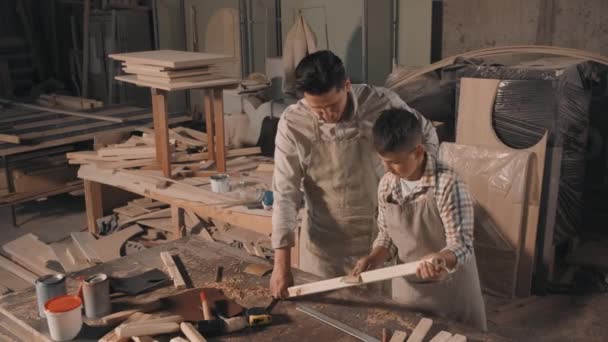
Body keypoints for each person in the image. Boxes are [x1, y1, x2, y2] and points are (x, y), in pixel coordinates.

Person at [269, 50, 439, 299]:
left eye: (332, 106)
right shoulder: (293, 123)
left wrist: (418, 181)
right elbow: (285, 192)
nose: (327, 115)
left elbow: (425, 132)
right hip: (324, 244)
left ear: (346, 85)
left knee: (379, 318)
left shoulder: (381, 104)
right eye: (318, 109)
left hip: (378, 237)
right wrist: (281, 264)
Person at [350, 108, 486, 330]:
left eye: (395, 162)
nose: (387, 169)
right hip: (409, 291)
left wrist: (440, 258)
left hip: (450, 292)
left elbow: (462, 244)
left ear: (419, 151)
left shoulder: (448, 184)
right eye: (383, 161)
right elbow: (387, 235)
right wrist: (375, 257)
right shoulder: (387, 184)